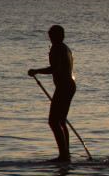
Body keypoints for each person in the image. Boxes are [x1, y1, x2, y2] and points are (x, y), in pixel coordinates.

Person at [28, 25, 76, 162]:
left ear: (57, 36)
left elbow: (55, 69)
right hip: (69, 86)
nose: (50, 39)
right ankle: (66, 154)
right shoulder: (66, 48)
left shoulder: (57, 48)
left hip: (64, 87)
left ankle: (64, 156)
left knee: (53, 121)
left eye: (51, 36)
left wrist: (36, 71)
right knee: (61, 121)